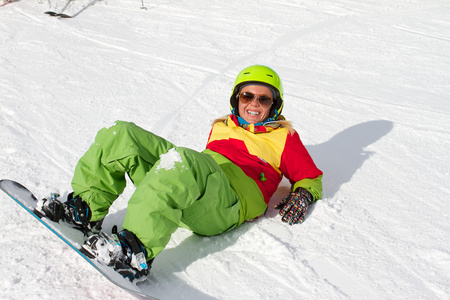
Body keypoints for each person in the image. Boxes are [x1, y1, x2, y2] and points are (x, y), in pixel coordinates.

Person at [39, 65, 323, 282]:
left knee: (184, 159)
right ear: (236, 98)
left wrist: (303, 194)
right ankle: (85, 210)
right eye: (248, 95)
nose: (254, 103)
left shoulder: (284, 138)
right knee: (121, 133)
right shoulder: (222, 126)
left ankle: (135, 253)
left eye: (264, 99)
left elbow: (311, 176)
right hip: (199, 186)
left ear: (276, 105)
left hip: (228, 204)